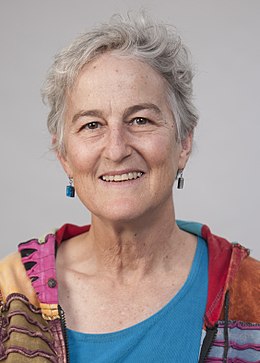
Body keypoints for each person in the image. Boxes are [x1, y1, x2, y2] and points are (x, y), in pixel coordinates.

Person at [0, 12, 259, 363]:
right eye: (92, 125)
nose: (117, 149)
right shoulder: (11, 292)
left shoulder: (251, 292)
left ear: (183, 142)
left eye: (140, 120)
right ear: (64, 155)